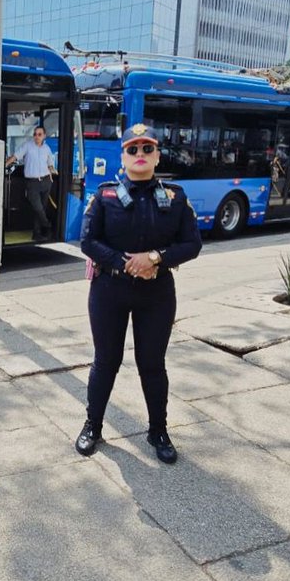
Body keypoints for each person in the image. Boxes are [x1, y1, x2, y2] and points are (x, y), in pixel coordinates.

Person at [76, 123, 202, 463]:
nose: (140, 154)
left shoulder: (176, 197)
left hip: (156, 293)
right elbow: (88, 241)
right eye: (133, 149)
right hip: (109, 290)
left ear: (158, 156)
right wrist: (126, 263)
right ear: (123, 157)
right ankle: (93, 426)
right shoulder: (104, 196)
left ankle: (158, 431)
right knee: (106, 362)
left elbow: (192, 244)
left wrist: (156, 258)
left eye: (148, 148)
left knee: (152, 364)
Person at [6, 126, 57, 242]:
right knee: (38, 208)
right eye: (35, 134)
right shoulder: (27, 146)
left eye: (39, 134)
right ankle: (48, 225)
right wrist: (4, 165)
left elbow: (50, 164)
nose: (36, 137)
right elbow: (15, 156)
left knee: (42, 208)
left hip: (45, 181)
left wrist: (52, 171)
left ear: (44, 136)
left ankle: (37, 233)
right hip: (32, 182)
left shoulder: (47, 149)